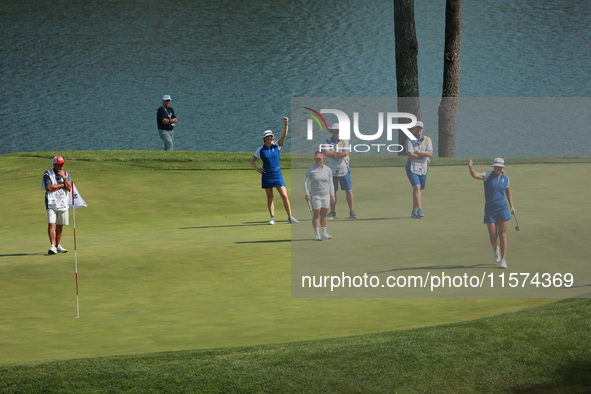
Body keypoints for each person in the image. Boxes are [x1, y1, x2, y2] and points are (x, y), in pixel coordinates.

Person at [468, 158, 516, 269]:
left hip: (502, 209)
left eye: (499, 167)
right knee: (493, 236)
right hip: (490, 210)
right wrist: (471, 167)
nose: (496, 168)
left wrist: (512, 206)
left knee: (502, 234)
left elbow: (508, 193)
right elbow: (475, 175)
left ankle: (503, 260)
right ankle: (495, 248)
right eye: (495, 166)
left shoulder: (506, 179)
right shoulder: (487, 176)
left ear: (502, 168)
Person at [250, 116, 299, 225]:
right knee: (270, 197)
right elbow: (252, 160)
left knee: (284, 196)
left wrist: (286, 124)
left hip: (277, 174)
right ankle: (272, 218)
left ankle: (290, 217)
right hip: (267, 175)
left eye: (271, 136)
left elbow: (284, 135)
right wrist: (258, 169)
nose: (270, 138)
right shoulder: (260, 150)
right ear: (264, 139)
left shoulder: (277, 146)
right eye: (268, 137)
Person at [322, 123, 357, 219]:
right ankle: (332, 212)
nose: (338, 132)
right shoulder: (327, 141)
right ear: (333, 132)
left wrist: (333, 154)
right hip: (331, 170)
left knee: (348, 190)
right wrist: (337, 154)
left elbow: (346, 152)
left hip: (344, 169)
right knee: (333, 192)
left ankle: (352, 211)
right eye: (336, 131)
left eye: (339, 131)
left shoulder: (345, 141)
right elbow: (326, 152)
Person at [41, 156, 72, 255]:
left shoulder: (67, 174)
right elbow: (49, 188)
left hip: (63, 202)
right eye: (59, 164)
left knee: (60, 225)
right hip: (51, 202)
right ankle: (52, 246)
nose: (61, 166)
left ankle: (58, 246)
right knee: (51, 223)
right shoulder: (48, 174)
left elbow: (70, 188)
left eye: (62, 164)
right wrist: (63, 185)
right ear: (54, 165)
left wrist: (64, 178)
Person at [304, 152, 335, 241]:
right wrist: (307, 193)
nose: (317, 160)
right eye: (316, 159)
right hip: (315, 195)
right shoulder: (311, 170)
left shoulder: (328, 169)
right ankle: (317, 234)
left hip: (326, 195)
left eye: (319, 159)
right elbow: (305, 182)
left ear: (323, 159)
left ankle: (324, 233)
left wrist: (332, 195)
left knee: (324, 215)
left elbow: (331, 183)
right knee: (316, 215)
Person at [405, 121, 433, 218]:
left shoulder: (427, 140)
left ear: (423, 129)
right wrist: (423, 154)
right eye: (417, 128)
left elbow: (430, 153)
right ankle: (420, 209)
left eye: (420, 128)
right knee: (417, 188)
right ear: (414, 129)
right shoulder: (410, 140)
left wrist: (417, 151)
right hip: (411, 167)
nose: (418, 130)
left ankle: (414, 210)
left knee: (418, 189)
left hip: (423, 167)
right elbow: (410, 155)